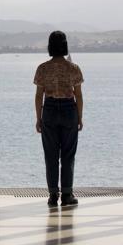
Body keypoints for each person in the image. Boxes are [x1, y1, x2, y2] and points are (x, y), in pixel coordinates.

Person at [34, 31, 84, 207]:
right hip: (69, 110)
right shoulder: (74, 68)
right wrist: (80, 117)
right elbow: (78, 95)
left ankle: (53, 195)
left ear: (50, 46)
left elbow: (39, 96)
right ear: (65, 46)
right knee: (68, 155)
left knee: (51, 156)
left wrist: (38, 118)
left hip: (49, 110)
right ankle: (68, 194)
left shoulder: (43, 68)